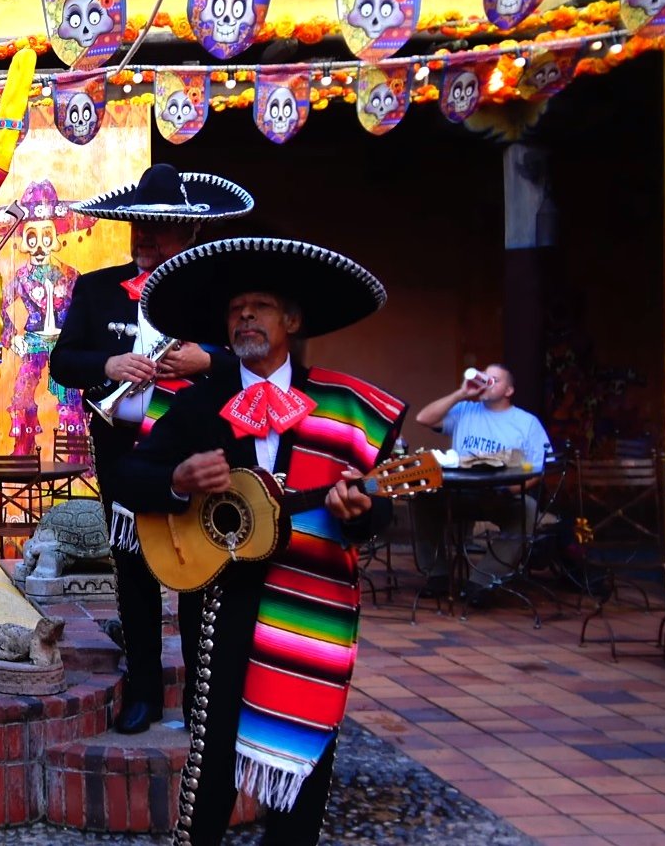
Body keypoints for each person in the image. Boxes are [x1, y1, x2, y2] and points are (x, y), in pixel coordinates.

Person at [112, 237, 403, 846]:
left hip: (310, 608)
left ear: (291, 322)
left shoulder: (343, 407)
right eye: (236, 307)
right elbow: (129, 478)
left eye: (261, 305)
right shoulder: (199, 406)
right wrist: (175, 480)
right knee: (211, 762)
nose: (245, 315)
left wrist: (358, 512)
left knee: (303, 772)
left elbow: (380, 510)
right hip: (223, 605)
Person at [47, 164, 252, 735]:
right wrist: (107, 364)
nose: (145, 237)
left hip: (196, 458)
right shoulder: (96, 289)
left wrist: (208, 361)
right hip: (123, 455)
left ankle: (199, 701)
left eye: (158, 227)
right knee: (135, 576)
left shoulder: (217, 299)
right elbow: (64, 363)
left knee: (196, 572)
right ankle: (142, 692)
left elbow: (261, 363)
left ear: (189, 235)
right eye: (139, 225)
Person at [410, 364, 553, 593]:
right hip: (458, 494)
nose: (487, 382)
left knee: (528, 509)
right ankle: (437, 575)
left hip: (500, 496)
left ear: (509, 391)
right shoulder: (466, 410)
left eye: (495, 380)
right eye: (485, 377)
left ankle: (482, 581)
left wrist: (509, 492)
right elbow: (423, 418)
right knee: (423, 499)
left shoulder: (526, 423)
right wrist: (461, 393)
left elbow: (539, 469)